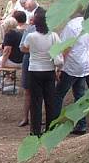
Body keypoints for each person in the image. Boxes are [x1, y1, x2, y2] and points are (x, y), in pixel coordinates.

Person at [21, 8, 61, 137]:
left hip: (34, 69)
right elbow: (59, 50)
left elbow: (24, 48)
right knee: (50, 100)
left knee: (35, 101)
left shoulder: (31, 36)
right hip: (49, 70)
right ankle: (50, 127)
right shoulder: (53, 35)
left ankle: (35, 130)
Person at [52, 10, 89, 135]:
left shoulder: (71, 26)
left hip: (71, 65)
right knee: (80, 95)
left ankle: (54, 123)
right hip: (83, 64)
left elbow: (66, 48)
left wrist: (59, 66)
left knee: (58, 95)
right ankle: (81, 125)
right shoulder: (88, 23)